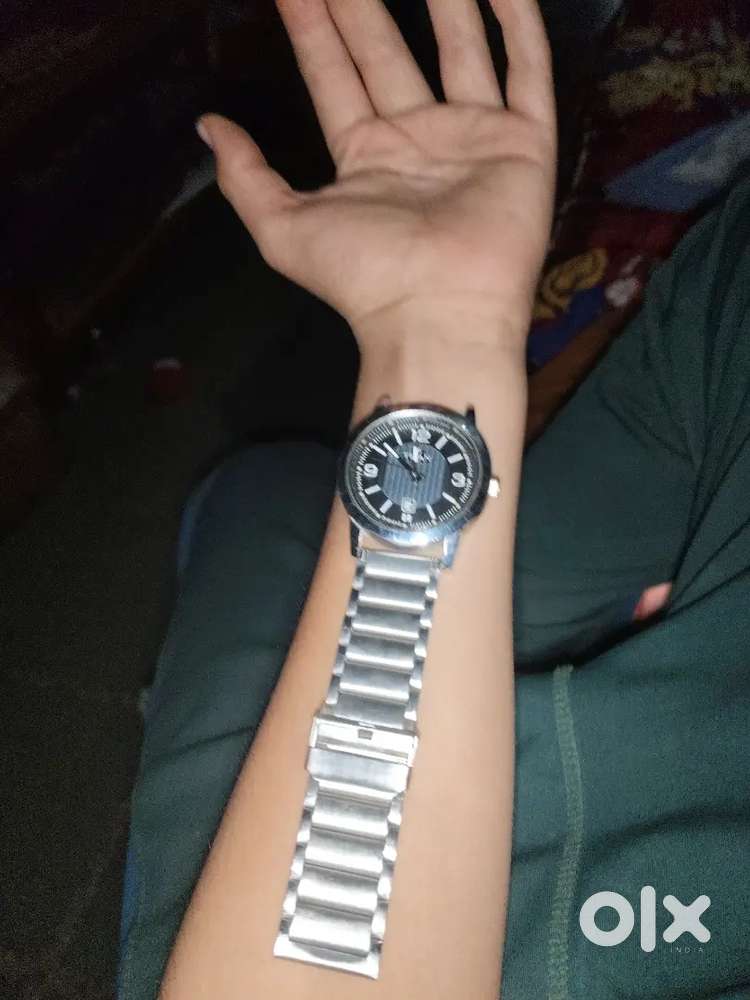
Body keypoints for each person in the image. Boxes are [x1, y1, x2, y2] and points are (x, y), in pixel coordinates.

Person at [118, 1, 750, 998]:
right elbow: (580, 521)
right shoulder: (731, 268)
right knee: (261, 490)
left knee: (252, 504)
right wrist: (443, 338)